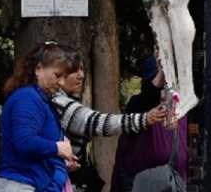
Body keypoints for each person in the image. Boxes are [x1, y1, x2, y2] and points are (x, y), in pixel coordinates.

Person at [50, 62, 167, 192]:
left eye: (82, 69)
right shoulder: (58, 103)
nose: (81, 75)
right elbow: (98, 123)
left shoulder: (176, 105)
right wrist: (145, 119)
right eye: (74, 70)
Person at [0, 42, 79, 192]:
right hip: (19, 185)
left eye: (65, 77)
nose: (62, 83)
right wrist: (57, 148)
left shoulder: (41, 99)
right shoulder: (27, 98)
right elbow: (24, 141)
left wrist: (60, 160)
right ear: (38, 69)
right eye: (57, 75)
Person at [110, 57, 187, 192]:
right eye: (162, 84)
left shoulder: (181, 110)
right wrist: (161, 76)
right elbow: (148, 95)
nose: (166, 89)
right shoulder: (138, 106)